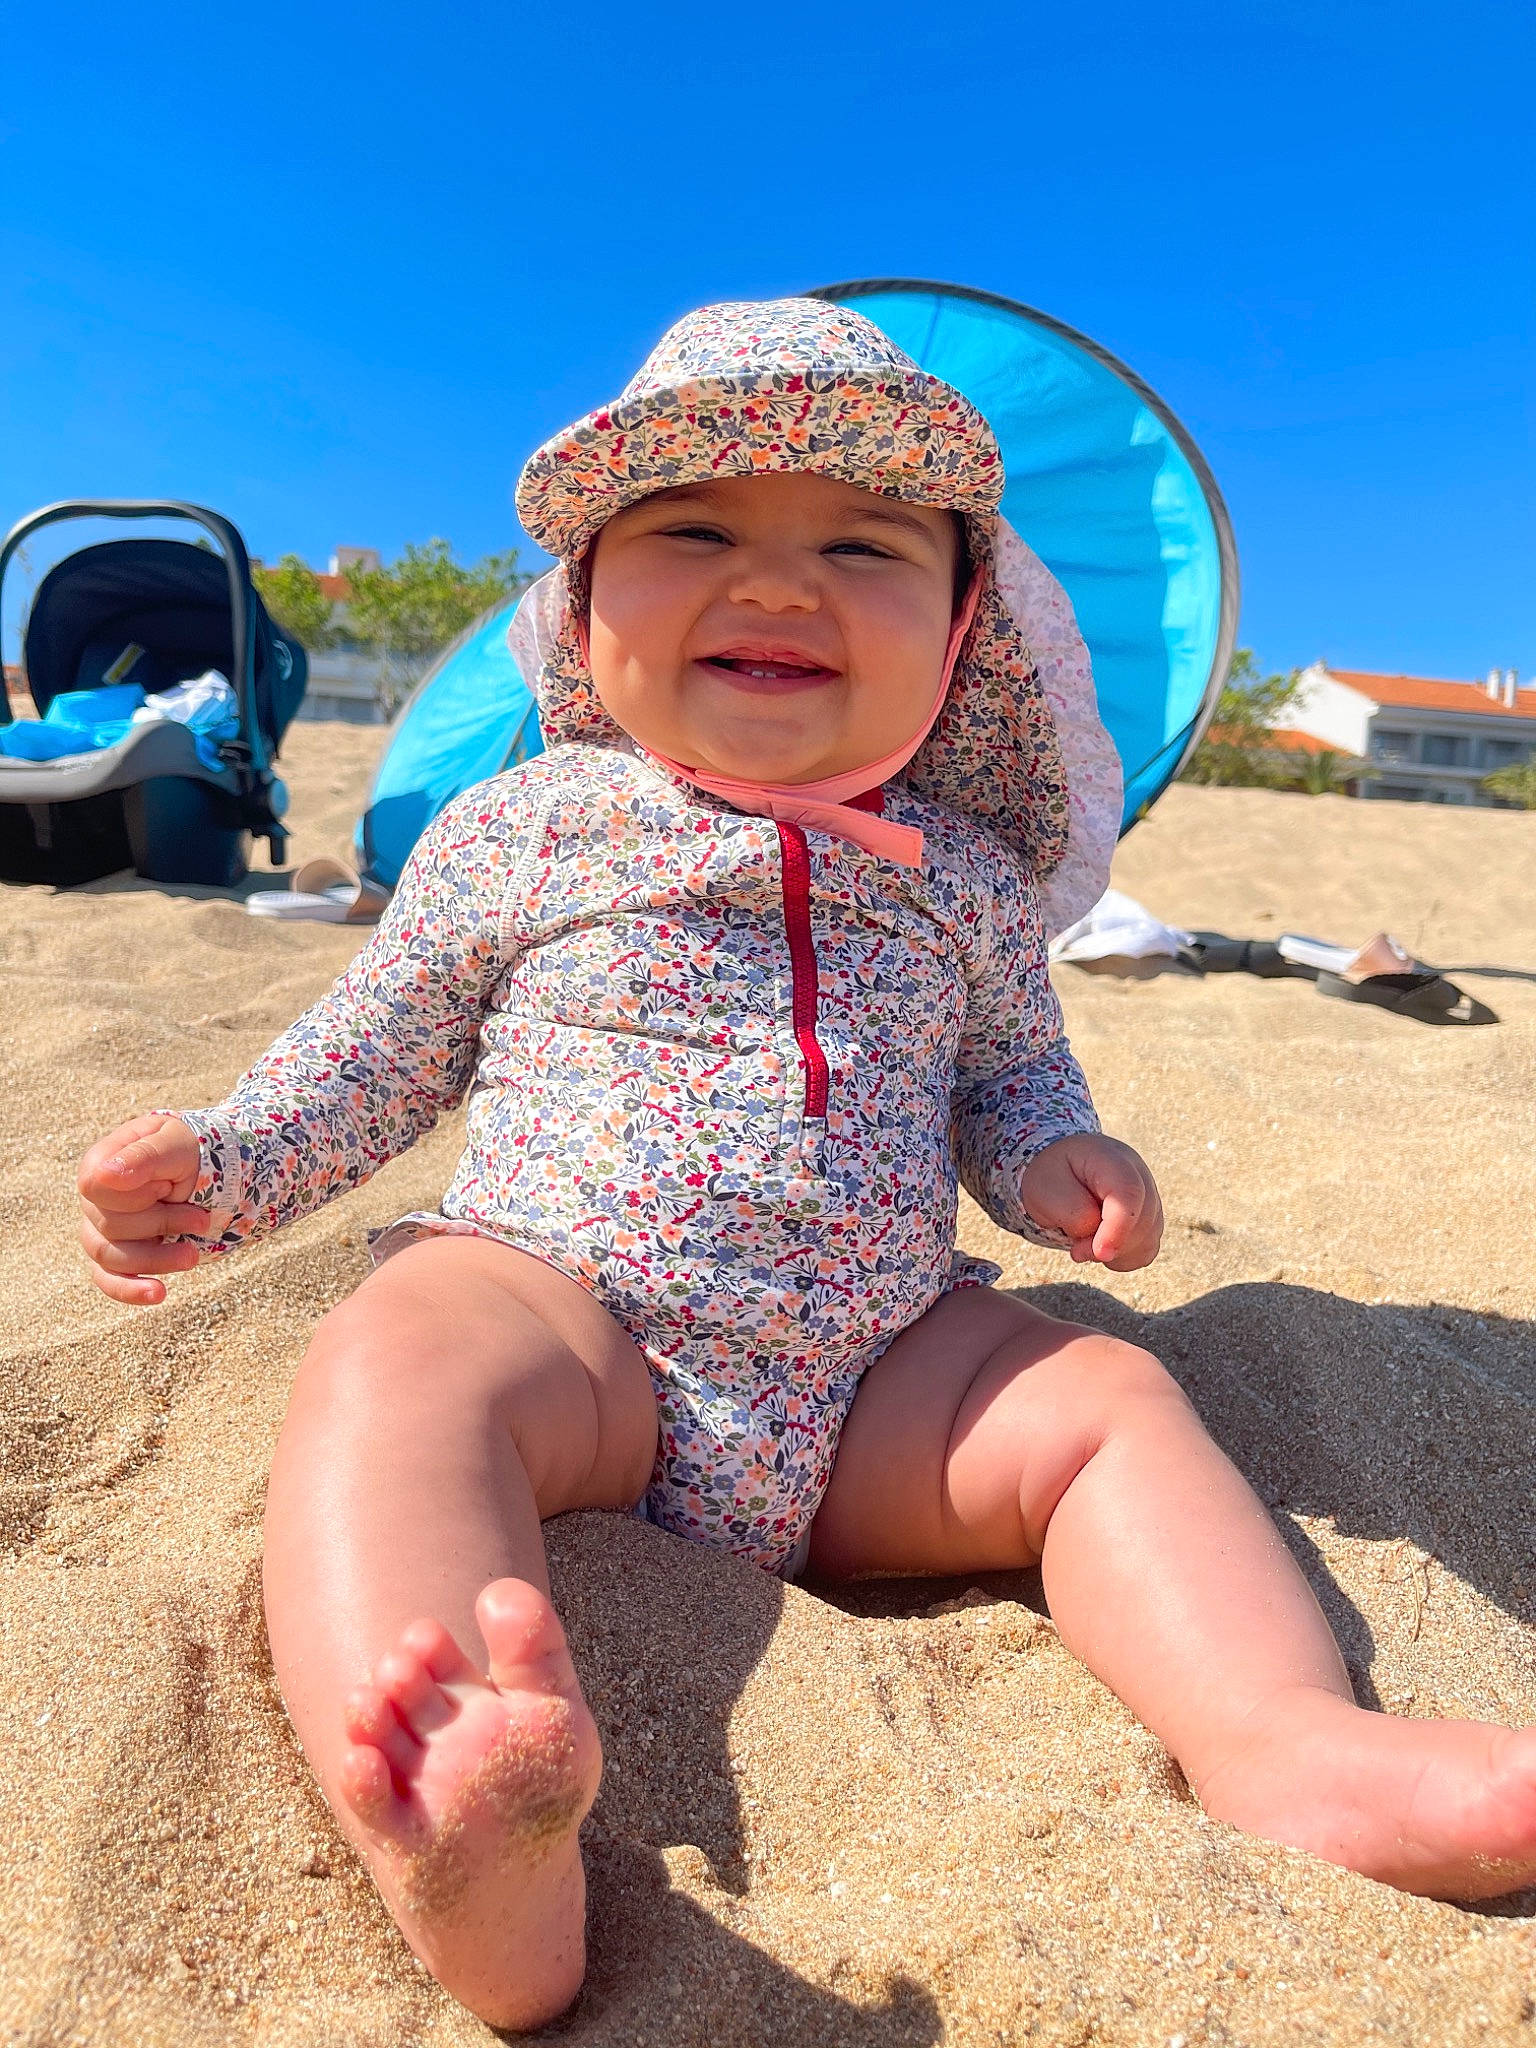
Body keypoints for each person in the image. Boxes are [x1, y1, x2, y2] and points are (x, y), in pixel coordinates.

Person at [77, 300, 1536, 2031]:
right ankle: (462, 1806)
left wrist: (1061, 1154)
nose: (779, 585)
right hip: (578, 1325)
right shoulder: (524, 828)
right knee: (402, 1361)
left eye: (862, 547)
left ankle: (1290, 1745)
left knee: (1103, 1400)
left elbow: (1014, 1080)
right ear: (585, 606)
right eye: (695, 532)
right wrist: (227, 1169)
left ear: (960, 633)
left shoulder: (965, 878)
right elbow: (380, 1058)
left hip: (876, 1376)